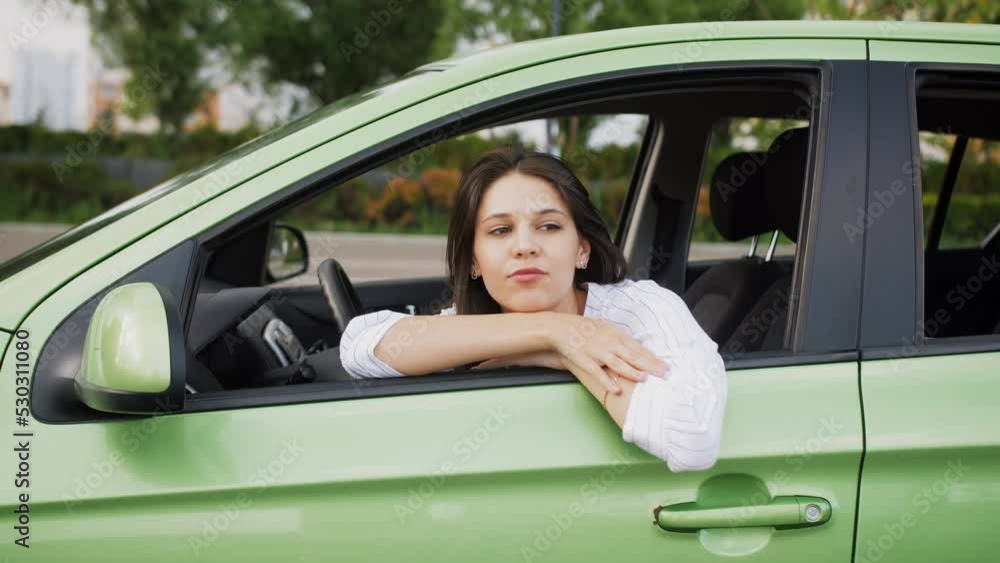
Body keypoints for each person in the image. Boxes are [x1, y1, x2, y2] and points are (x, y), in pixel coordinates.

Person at [340, 147, 726, 472]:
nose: (525, 246)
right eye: (500, 230)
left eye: (549, 226)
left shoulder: (644, 308)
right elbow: (360, 346)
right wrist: (554, 333)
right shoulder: (473, 323)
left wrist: (564, 352)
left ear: (582, 249)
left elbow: (692, 440)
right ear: (473, 260)